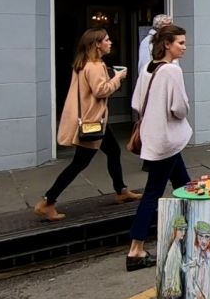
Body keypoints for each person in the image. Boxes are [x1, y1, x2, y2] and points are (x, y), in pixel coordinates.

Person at [36, 28, 140, 221]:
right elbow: (101, 91)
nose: (110, 42)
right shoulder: (94, 65)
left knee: (113, 151)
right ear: (97, 44)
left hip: (95, 120)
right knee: (79, 163)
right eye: (106, 40)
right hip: (93, 122)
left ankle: (121, 190)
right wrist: (118, 78)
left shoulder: (85, 63)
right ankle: (47, 201)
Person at [126, 24, 192, 271]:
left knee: (185, 187)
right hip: (167, 140)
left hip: (154, 138)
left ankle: (193, 234)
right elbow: (180, 109)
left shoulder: (148, 68)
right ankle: (136, 250)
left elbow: (136, 102)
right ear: (167, 44)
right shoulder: (173, 71)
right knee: (153, 192)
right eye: (180, 43)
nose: (184, 47)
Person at [138, 14, 176, 78]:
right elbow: (144, 65)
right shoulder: (148, 42)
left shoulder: (167, 40)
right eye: (168, 25)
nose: (171, 28)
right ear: (159, 27)